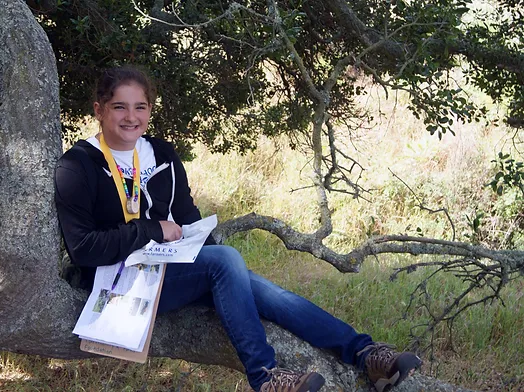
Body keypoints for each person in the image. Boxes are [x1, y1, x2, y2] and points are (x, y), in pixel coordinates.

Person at [55, 66, 422, 392]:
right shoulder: (79, 165)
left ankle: (366, 354)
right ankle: (266, 378)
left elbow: (187, 215)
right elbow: (84, 248)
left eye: (141, 107)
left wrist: (207, 249)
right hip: (118, 282)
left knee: (242, 276)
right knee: (226, 263)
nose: (131, 117)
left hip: (168, 270)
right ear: (99, 110)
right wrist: (152, 230)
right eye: (119, 107)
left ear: (150, 110)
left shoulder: (161, 152)